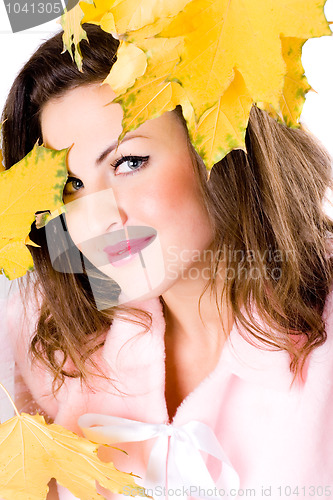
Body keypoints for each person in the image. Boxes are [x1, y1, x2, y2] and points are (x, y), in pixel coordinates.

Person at [2, 22, 333, 500]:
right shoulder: (46, 338)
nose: (99, 218)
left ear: (215, 146)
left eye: (128, 162)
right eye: (70, 187)